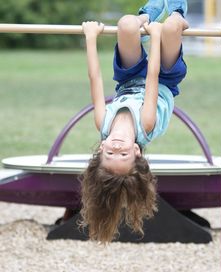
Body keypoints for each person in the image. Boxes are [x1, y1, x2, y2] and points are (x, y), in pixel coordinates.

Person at [79, 1, 188, 243]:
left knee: (126, 25)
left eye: (110, 156)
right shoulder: (145, 123)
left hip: (128, 81)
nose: (117, 150)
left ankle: (147, 15)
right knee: (170, 28)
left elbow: (94, 77)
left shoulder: (103, 123)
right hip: (163, 81)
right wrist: (157, 37)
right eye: (124, 156)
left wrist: (91, 36)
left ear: (101, 149)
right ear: (136, 151)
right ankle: (179, 12)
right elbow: (153, 75)